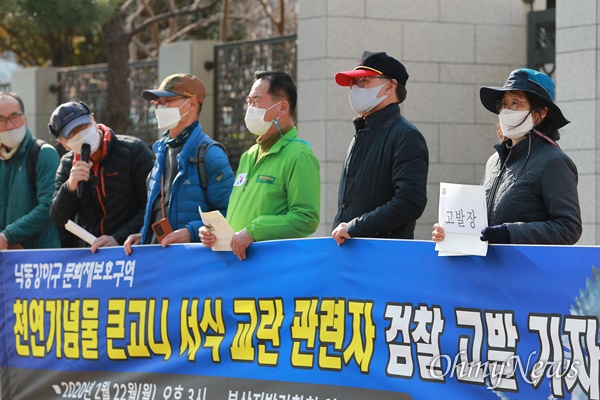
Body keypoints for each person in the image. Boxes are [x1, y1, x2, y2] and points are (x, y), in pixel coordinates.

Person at [432, 68, 582, 245]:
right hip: (491, 269)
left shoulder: (554, 161)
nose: (506, 110)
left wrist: (510, 233)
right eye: (503, 103)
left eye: (516, 102)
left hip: (525, 269)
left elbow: (568, 227)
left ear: (541, 113)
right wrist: (452, 232)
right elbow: (481, 222)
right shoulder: (494, 161)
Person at [199, 71, 320, 260]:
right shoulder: (249, 155)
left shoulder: (299, 155)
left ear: (282, 108)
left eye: (256, 101)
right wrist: (216, 233)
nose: (250, 108)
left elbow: (306, 219)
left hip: (270, 266)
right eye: (249, 101)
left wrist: (254, 231)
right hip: (238, 265)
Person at [124, 73, 234, 255]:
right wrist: (144, 235)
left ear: (191, 103)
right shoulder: (161, 150)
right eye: (158, 103)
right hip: (159, 261)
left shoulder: (210, 154)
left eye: (168, 101)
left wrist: (191, 232)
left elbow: (229, 212)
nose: (160, 107)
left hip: (192, 265)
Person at [331, 51, 429, 245]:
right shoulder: (362, 131)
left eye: (364, 81)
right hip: (349, 251)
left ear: (389, 87)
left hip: (383, 255)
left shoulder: (406, 135)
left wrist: (355, 227)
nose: (355, 89)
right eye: (354, 83)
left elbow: (409, 202)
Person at [49, 101, 155, 252]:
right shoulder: (67, 164)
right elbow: (58, 218)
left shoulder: (133, 150)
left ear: (93, 120)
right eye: (73, 133)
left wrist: (119, 238)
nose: (82, 134)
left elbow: (152, 204)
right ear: (64, 143)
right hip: (93, 255)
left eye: (84, 126)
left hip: (132, 249)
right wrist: (70, 186)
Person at [0, 92, 61, 249]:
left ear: (25, 119)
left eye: (14, 117)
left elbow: (49, 206)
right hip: (5, 257)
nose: (9, 125)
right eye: (1, 119)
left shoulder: (43, 153)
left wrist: (8, 236)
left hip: (39, 258)